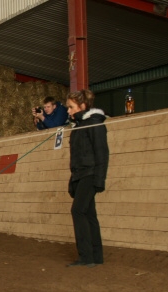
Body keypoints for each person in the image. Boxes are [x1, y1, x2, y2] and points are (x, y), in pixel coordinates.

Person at [66, 89, 109, 268]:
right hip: (81, 175)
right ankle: (96, 256)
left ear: (82, 106)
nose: (68, 111)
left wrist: (100, 179)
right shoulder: (78, 126)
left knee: (78, 211)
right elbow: (76, 157)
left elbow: (102, 153)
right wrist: (73, 179)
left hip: (90, 174)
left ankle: (86, 257)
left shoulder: (94, 124)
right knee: (89, 213)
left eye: (71, 107)